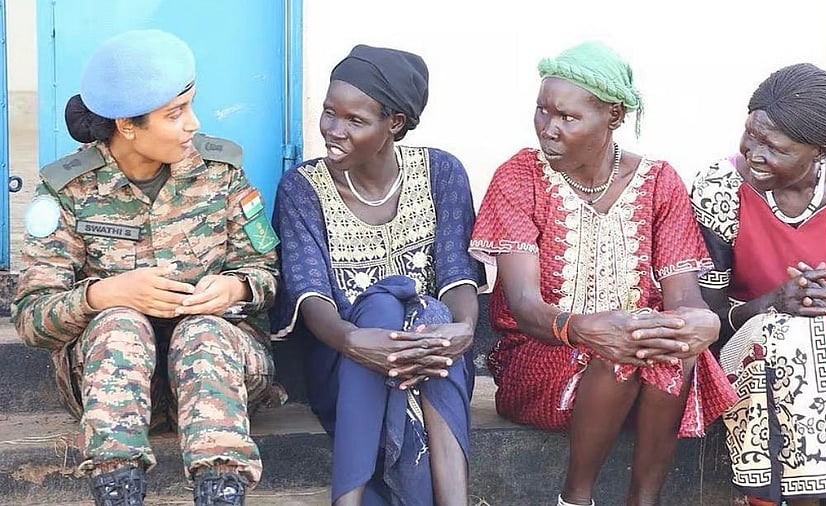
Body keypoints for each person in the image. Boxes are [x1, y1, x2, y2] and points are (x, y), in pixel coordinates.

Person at [12, 30, 280, 506]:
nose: (192, 124)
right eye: (175, 113)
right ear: (127, 125)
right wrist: (105, 295)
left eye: (190, 106)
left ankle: (221, 491)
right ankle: (117, 486)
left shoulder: (220, 173)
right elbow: (31, 317)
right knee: (119, 322)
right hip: (107, 388)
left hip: (218, 383)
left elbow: (265, 269)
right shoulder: (68, 190)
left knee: (204, 331)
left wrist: (236, 288)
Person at [468, 41, 736, 506]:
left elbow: (684, 299)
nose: (548, 129)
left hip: (645, 372)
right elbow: (526, 309)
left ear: (612, 117)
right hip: (539, 358)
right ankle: (575, 498)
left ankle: (642, 500)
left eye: (567, 118)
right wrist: (588, 332)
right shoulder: (519, 177)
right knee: (620, 354)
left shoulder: (659, 181)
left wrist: (699, 324)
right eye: (542, 111)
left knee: (668, 346)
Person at [269, 44, 484, 506]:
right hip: (345, 363)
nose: (333, 130)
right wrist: (354, 341)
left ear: (396, 124)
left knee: (429, 312)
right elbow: (310, 295)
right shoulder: (302, 188)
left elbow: (456, 272)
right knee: (385, 306)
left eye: (355, 120)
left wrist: (463, 331)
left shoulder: (440, 172)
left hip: (430, 361)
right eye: (329, 113)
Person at [691, 63, 826, 505]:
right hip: (746, 348)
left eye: (775, 148)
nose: (754, 153)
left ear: (820, 152)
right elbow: (704, 317)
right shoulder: (719, 187)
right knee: (791, 334)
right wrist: (772, 303)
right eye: (751, 134)